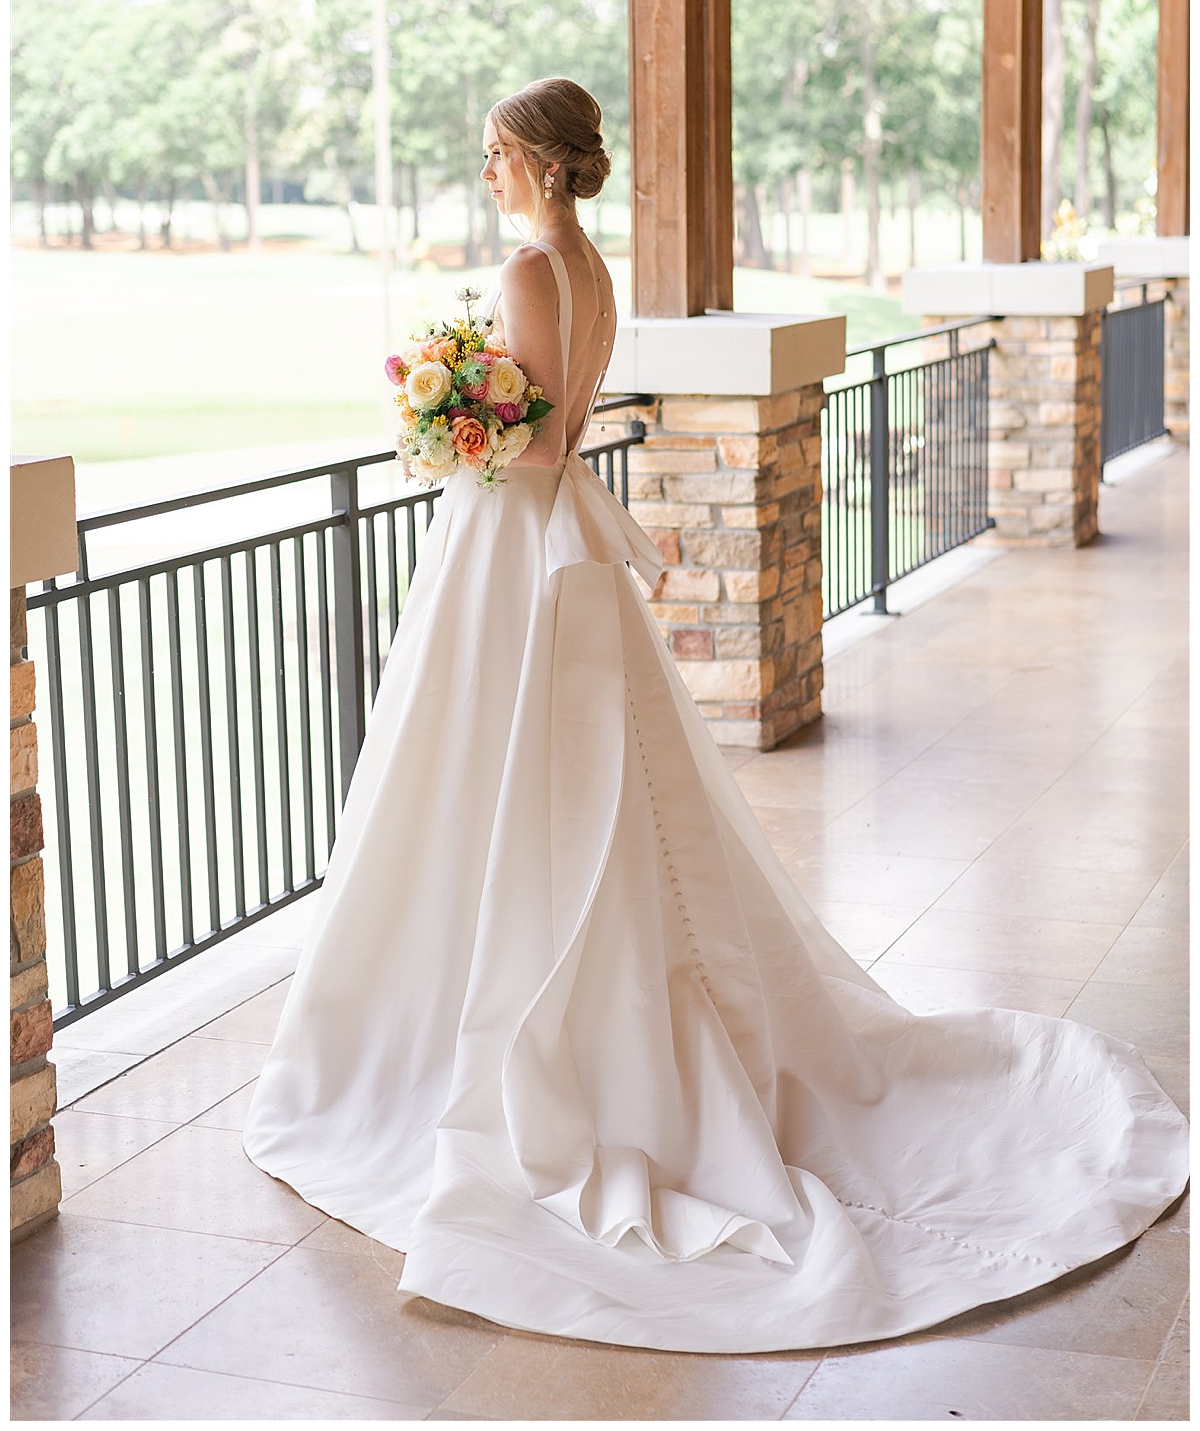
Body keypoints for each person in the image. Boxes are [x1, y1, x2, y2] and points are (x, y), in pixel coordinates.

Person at [243, 76, 1188, 1354]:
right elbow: (566, 425)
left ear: (537, 162)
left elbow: (527, 448)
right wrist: (464, 407)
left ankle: (480, 1020)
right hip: (555, 544)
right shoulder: (596, 271)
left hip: (515, 542)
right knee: (571, 768)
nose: (487, 174)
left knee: (494, 765)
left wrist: (437, 421)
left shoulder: (531, 271)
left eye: (494, 156)